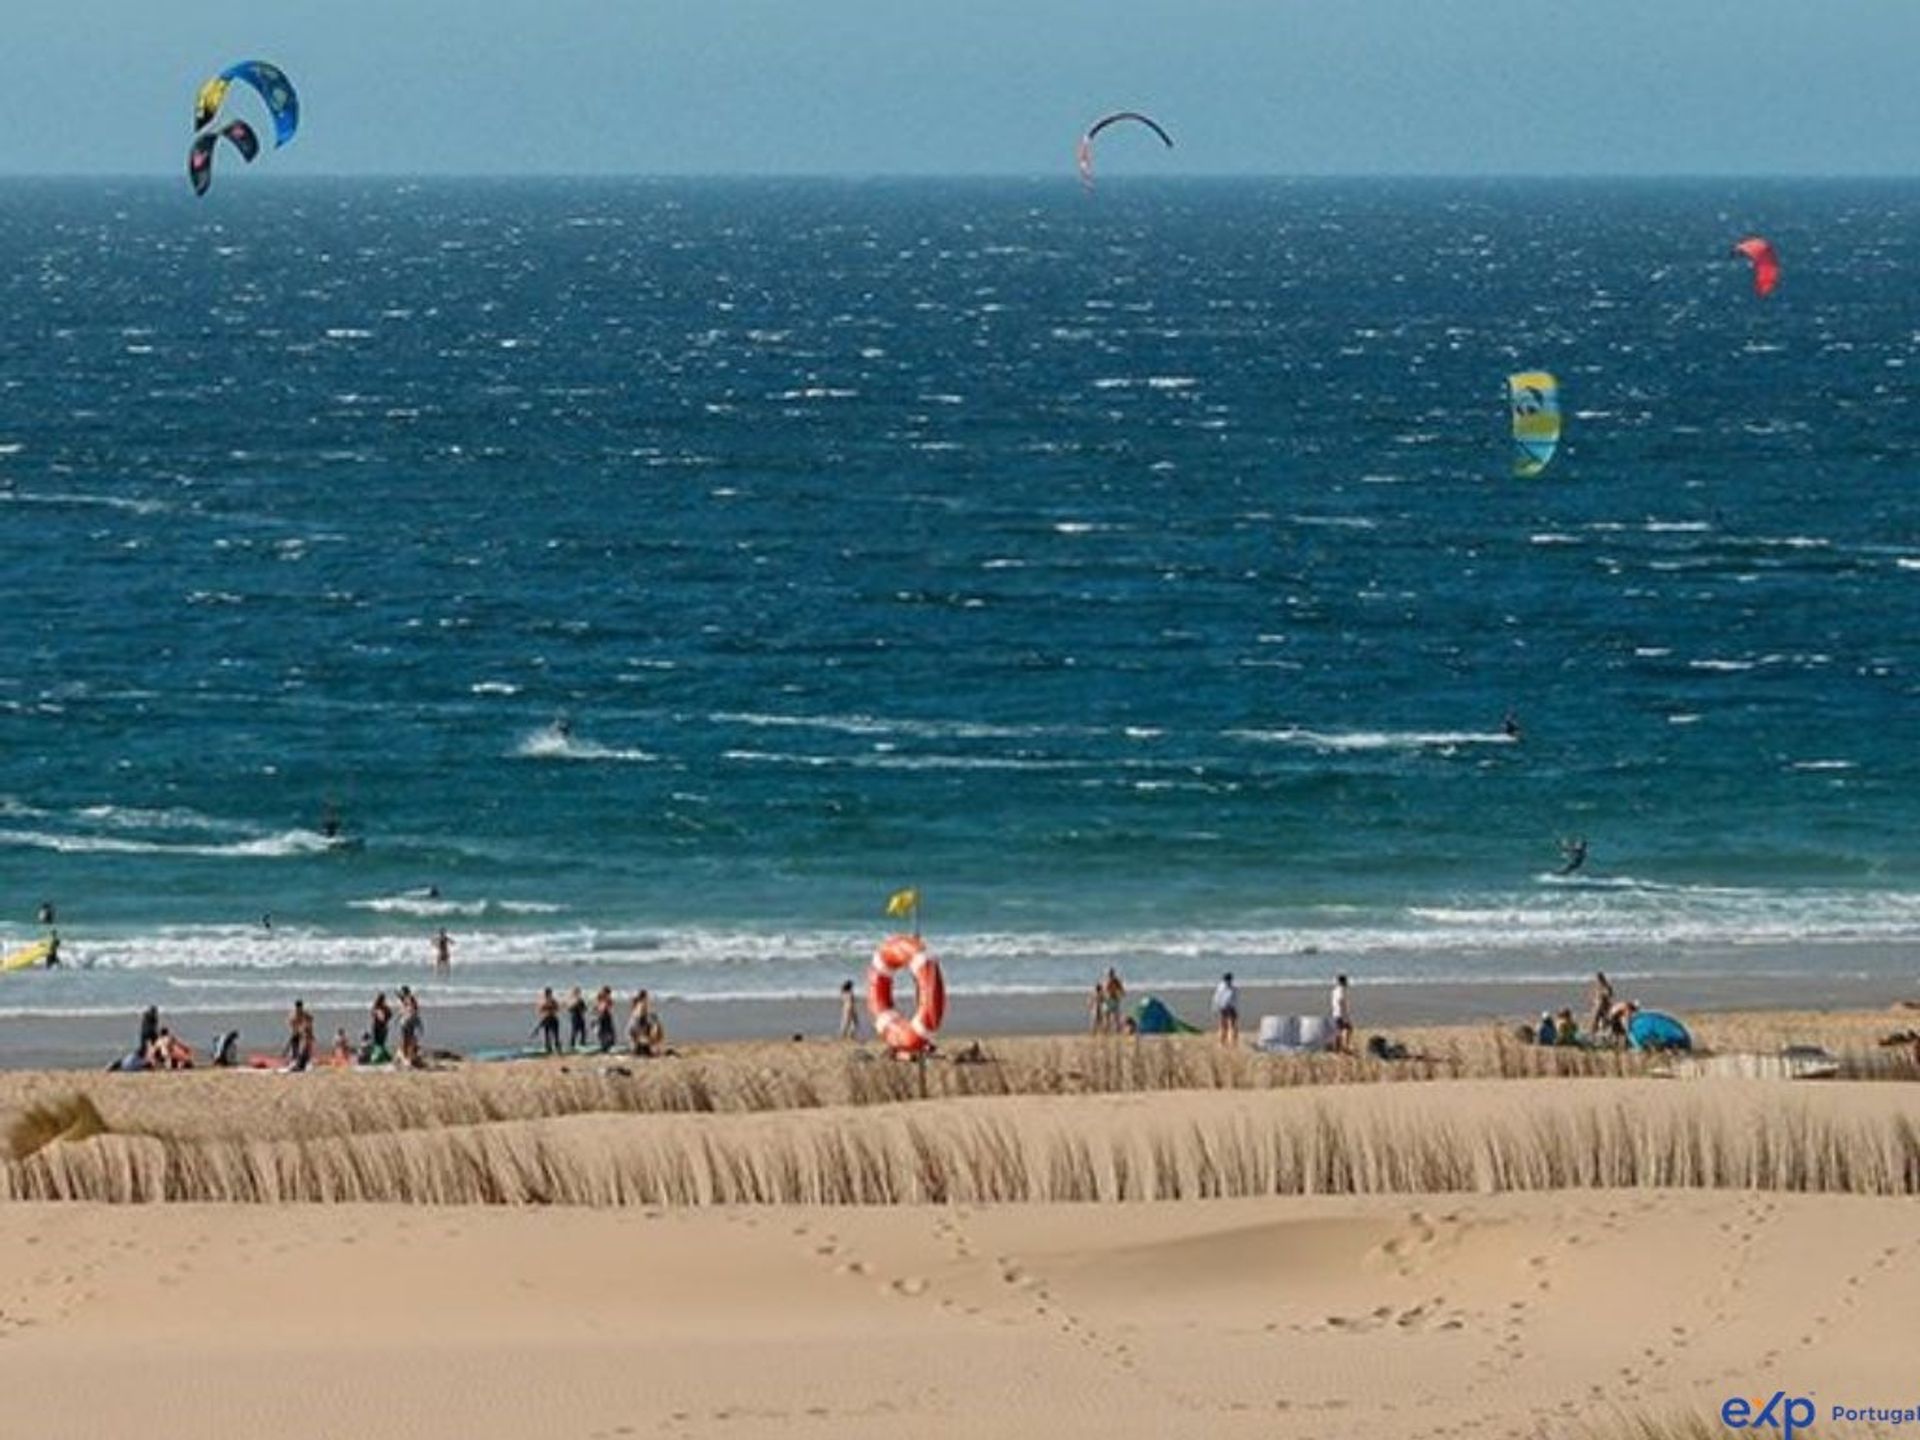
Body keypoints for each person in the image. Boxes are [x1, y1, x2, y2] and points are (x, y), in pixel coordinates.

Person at [286, 1000, 316, 1071]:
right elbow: (291, 1024)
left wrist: (310, 1032)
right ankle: (295, 1060)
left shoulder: (305, 1014)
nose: (299, 1010)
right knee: (295, 1046)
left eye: (300, 1008)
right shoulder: (293, 1015)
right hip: (297, 1032)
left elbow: (311, 1019)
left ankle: (305, 1060)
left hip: (304, 1032)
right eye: (298, 1008)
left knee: (306, 1046)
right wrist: (296, 1030)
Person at [398, 985, 423, 1067]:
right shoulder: (409, 999)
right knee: (409, 1039)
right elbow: (414, 1010)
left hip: (407, 1021)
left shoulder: (408, 999)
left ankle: (407, 1057)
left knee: (406, 1039)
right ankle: (408, 1057)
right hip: (409, 1021)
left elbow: (410, 1010)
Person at [1212, 972, 1240, 1048]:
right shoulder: (1221, 987)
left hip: (1231, 1007)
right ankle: (1222, 1042)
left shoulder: (1234, 988)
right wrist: (1215, 1007)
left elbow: (1235, 999)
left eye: (1229, 980)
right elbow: (1216, 998)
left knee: (1234, 1025)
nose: (1228, 982)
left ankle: (1234, 1042)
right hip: (1223, 1008)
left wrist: (1235, 1007)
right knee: (1224, 1026)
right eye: (1227, 980)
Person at [535, 987, 562, 1055]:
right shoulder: (542, 1001)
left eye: (549, 993)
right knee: (547, 1035)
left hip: (553, 1018)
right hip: (546, 1019)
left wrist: (552, 1007)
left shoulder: (553, 1001)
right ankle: (548, 1049)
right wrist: (545, 1006)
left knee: (556, 1035)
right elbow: (538, 1011)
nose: (548, 994)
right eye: (547, 993)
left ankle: (557, 1049)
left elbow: (558, 1009)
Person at [1331, 974, 1353, 1054]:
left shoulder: (1335, 990)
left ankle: (1338, 1048)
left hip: (1335, 1012)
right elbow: (1341, 1001)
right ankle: (1345, 1047)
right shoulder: (1341, 990)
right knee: (1348, 1029)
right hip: (1341, 1013)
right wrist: (1345, 1015)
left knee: (1339, 1030)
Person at [1587, 972, 1614, 1036]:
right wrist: (1594, 1000)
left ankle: (1601, 1031)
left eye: (1599, 979)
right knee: (1595, 1018)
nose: (1598, 980)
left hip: (1604, 1005)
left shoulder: (1607, 985)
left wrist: (1604, 994)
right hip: (1598, 1004)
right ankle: (1593, 1031)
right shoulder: (1597, 986)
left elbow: (1609, 994)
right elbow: (1593, 995)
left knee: (1604, 1019)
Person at [1100, 967, 1126, 1033]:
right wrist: (1121, 995)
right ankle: (1117, 1031)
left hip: (1108, 1001)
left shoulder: (1105, 981)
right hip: (1113, 1000)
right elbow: (1122, 991)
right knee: (1115, 1018)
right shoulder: (1115, 981)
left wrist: (1102, 999)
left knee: (1107, 1018)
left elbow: (1103, 992)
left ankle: (1106, 1032)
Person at [593, 986, 617, 1052]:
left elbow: (608, 1007)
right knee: (604, 1032)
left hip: (604, 1016)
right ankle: (605, 1045)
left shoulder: (606, 999)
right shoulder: (602, 998)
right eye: (609, 993)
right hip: (603, 1017)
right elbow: (597, 1008)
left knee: (606, 1031)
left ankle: (607, 1045)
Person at [566, 986, 589, 1051]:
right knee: (574, 1031)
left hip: (581, 1016)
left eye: (579, 992)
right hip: (574, 1017)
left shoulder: (581, 1000)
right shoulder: (571, 1000)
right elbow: (569, 1009)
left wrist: (582, 1008)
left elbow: (585, 1008)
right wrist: (575, 1004)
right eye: (577, 992)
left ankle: (583, 1043)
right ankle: (572, 1044)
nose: (578, 993)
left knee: (583, 1031)